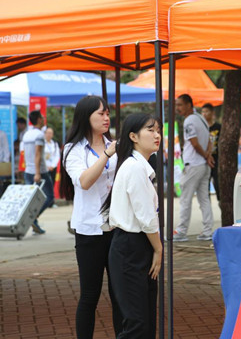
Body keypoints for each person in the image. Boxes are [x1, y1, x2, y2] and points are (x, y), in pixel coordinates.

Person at [60, 95, 122, 338]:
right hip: (89, 231)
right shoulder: (72, 150)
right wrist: (106, 154)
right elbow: (84, 181)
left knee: (119, 294)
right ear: (86, 117)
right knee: (89, 295)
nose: (106, 118)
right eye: (101, 113)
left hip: (117, 228)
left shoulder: (115, 145)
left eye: (108, 113)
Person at [105, 113, 162, 339]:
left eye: (158, 130)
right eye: (150, 130)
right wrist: (158, 248)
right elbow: (146, 217)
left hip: (137, 246)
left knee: (145, 322)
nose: (157, 135)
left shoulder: (139, 166)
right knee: (137, 324)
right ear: (133, 136)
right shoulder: (134, 168)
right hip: (131, 247)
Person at [174, 94, 214, 242]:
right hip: (203, 165)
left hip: (193, 165)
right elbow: (209, 140)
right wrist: (208, 156)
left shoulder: (189, 121)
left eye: (180, 105)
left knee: (185, 199)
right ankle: (207, 231)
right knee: (204, 199)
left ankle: (181, 231)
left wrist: (205, 155)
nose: (177, 108)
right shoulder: (201, 118)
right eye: (177, 105)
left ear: (189, 105)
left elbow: (195, 143)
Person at [22, 111, 54, 234]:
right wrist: (37, 173)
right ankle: (33, 218)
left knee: (31, 200)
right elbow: (37, 154)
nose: (43, 118)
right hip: (40, 171)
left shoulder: (26, 134)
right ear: (39, 119)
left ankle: (33, 220)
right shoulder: (39, 135)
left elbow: (25, 153)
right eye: (42, 117)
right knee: (49, 196)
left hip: (28, 171)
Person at [202, 103, 221, 203]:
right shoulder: (202, 127)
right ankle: (207, 207)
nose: (204, 114)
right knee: (205, 186)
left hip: (217, 159)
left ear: (212, 113)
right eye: (203, 112)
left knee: (218, 184)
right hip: (204, 160)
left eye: (207, 111)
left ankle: (221, 203)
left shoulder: (218, 127)